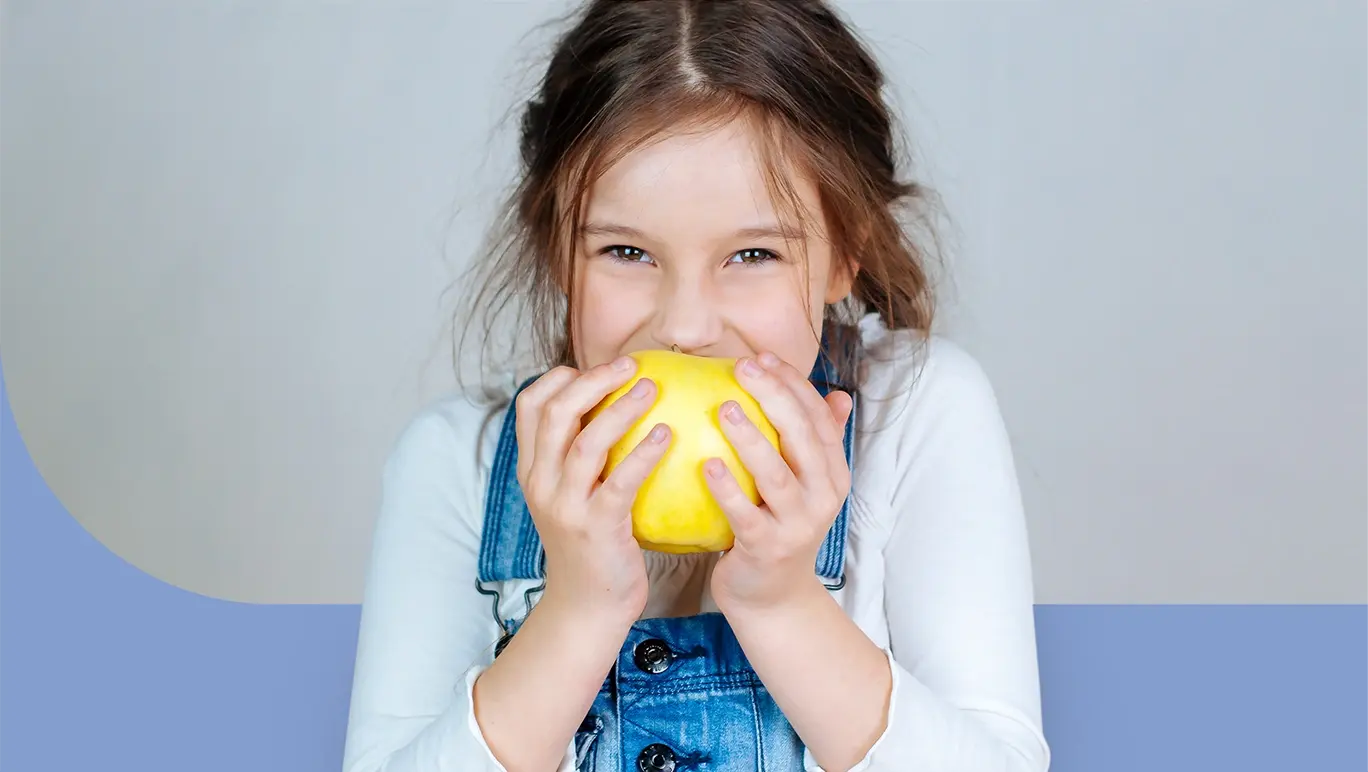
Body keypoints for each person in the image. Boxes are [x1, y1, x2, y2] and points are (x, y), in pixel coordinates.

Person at [342, 1, 1049, 770]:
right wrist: (577, 613)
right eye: (625, 252)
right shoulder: (458, 465)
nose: (684, 327)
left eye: (752, 256)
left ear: (846, 251)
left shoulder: (917, 417)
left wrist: (781, 605)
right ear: (558, 251)